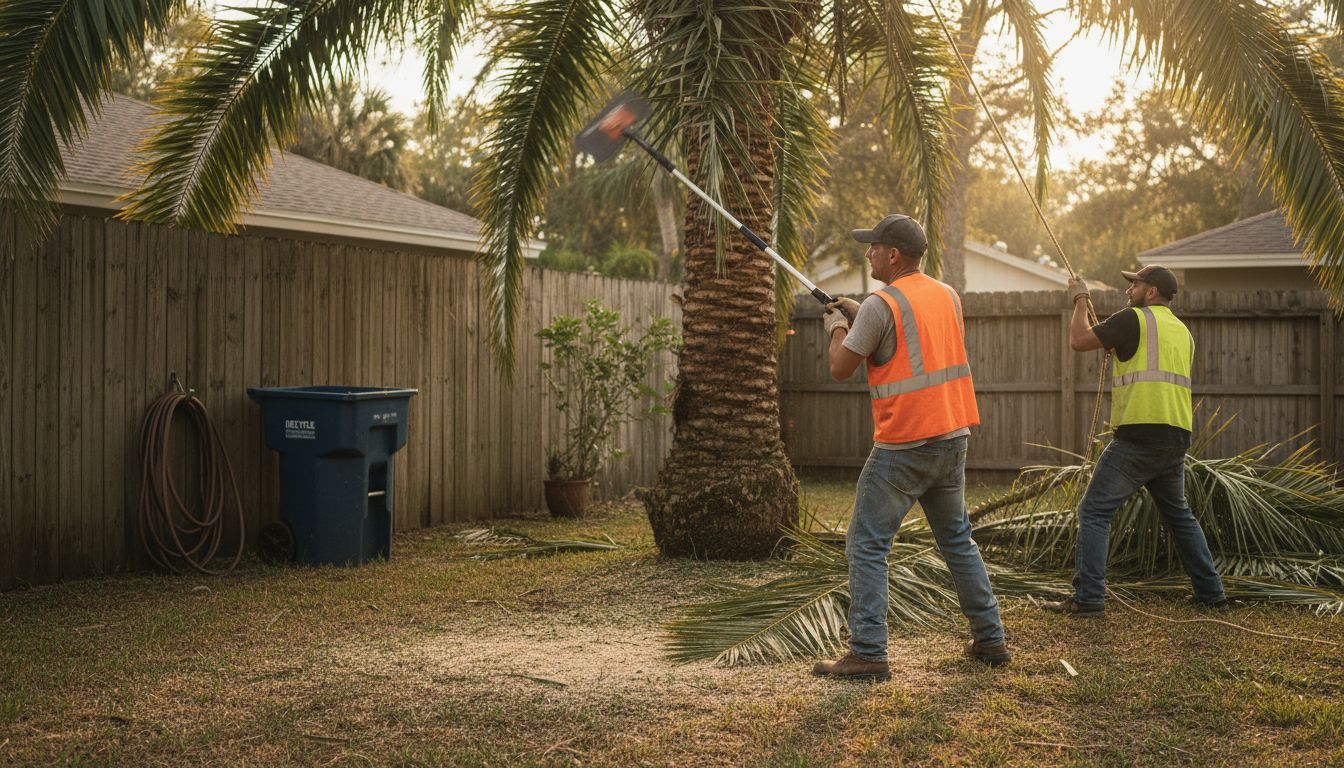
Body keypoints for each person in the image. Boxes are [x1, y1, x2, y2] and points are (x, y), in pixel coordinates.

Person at [811, 214, 1009, 683]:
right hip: (952, 436)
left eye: (874, 246)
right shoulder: (945, 295)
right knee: (957, 539)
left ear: (893, 254)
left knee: (866, 543)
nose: (868, 253)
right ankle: (990, 638)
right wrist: (860, 315)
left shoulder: (882, 305)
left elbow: (842, 366)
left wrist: (837, 326)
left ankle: (868, 653)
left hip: (904, 444)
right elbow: (906, 342)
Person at [1046, 265, 1228, 616]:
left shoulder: (1134, 319)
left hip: (1138, 437)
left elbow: (1078, 340)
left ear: (1152, 292)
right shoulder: (1183, 332)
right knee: (1179, 516)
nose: (1129, 289)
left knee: (1095, 511)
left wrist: (1080, 299)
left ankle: (1088, 600)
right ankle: (1211, 592)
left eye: (1136, 284)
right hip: (1175, 437)